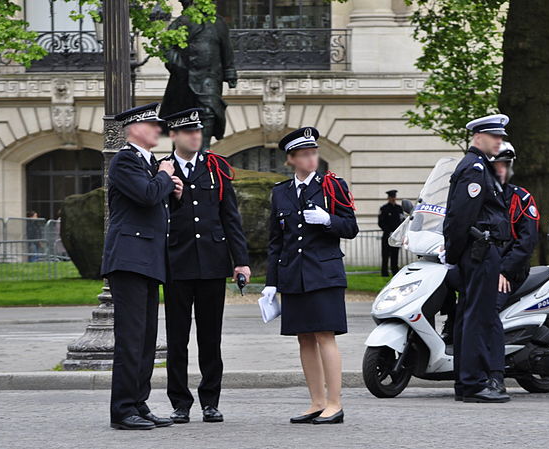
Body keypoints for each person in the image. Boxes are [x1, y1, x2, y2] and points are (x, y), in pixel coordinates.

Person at [160, 108, 251, 424]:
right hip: (177, 263)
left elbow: (231, 218)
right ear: (174, 136)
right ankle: (180, 402)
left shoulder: (216, 169)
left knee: (211, 338)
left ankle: (210, 401)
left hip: (212, 262)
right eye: (189, 132)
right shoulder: (161, 170)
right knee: (177, 339)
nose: (195, 136)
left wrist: (240, 261)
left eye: (198, 131)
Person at [262, 127, 359, 424]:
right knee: (304, 338)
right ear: (290, 159)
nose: (311, 159)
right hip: (294, 274)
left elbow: (351, 227)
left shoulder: (332, 186)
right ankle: (317, 401)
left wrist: (329, 219)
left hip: (324, 273)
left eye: (313, 152)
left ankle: (335, 402)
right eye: (304, 154)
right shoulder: (281, 192)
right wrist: (270, 282)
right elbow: (276, 241)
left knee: (324, 335)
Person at [100, 102, 184, 430]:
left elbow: (155, 203)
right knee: (131, 338)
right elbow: (147, 196)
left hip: (148, 259)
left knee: (147, 338)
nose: (158, 130)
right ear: (134, 129)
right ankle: (122, 409)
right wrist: (164, 179)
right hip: (129, 259)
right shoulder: (125, 160)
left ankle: (139, 402)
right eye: (152, 125)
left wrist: (171, 191)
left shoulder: (148, 163)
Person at [442, 114, 511, 403]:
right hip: (479, 252)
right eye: (495, 136)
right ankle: (473, 384)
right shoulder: (474, 168)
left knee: (470, 317)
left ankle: (467, 382)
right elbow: (459, 218)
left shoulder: (479, 167)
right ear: (478, 137)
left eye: (500, 137)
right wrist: (457, 252)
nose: (499, 141)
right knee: (476, 318)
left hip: (478, 251)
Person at [489, 142, 539, 392]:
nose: (501, 169)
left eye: (505, 165)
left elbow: (526, 241)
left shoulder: (521, 197)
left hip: (510, 270)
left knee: (489, 311)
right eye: (496, 164)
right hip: (483, 267)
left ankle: (496, 375)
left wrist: (504, 270)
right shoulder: (480, 195)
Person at [161, 0, 237, 150]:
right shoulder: (180, 23)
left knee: (208, 111)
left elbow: (226, 49)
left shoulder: (217, 22)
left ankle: (204, 151)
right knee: (182, 115)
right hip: (184, 79)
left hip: (209, 76)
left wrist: (230, 72)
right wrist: (180, 66)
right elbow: (166, 47)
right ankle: (181, 155)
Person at [378, 190, 403, 276]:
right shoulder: (384, 209)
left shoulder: (399, 209)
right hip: (387, 235)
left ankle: (394, 271)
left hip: (396, 236)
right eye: (391, 197)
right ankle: (384, 272)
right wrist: (388, 231)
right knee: (385, 255)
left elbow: (402, 221)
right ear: (388, 198)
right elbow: (381, 222)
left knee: (395, 255)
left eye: (394, 197)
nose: (393, 199)